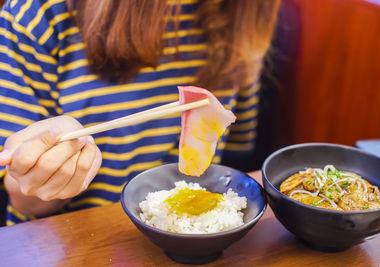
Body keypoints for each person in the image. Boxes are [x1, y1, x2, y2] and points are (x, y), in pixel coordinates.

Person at [0, 0, 280, 225]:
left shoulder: (242, 14)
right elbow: (23, 200)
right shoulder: (39, 13)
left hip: (198, 235)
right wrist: (47, 174)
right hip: (73, 240)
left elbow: (237, 160)